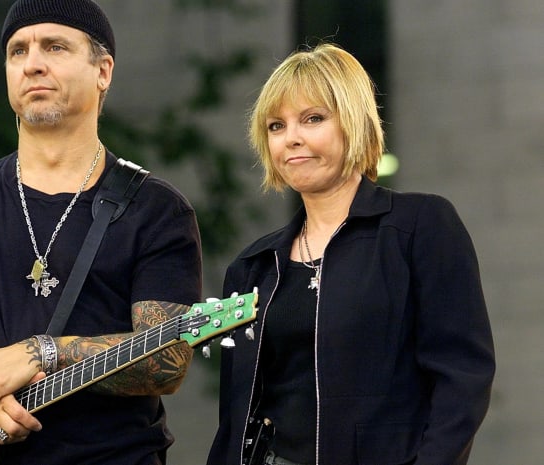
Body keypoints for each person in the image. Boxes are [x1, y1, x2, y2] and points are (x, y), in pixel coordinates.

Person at [0, 1, 203, 464]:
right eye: (18, 51)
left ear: (103, 71)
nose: (33, 63)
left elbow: (166, 361)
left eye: (55, 46)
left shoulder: (156, 209)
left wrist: (42, 353)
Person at [207, 43, 495, 465]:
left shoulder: (420, 227)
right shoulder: (253, 266)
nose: (292, 138)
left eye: (313, 119)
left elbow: (462, 381)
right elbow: (234, 419)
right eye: (275, 126)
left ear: (353, 124)